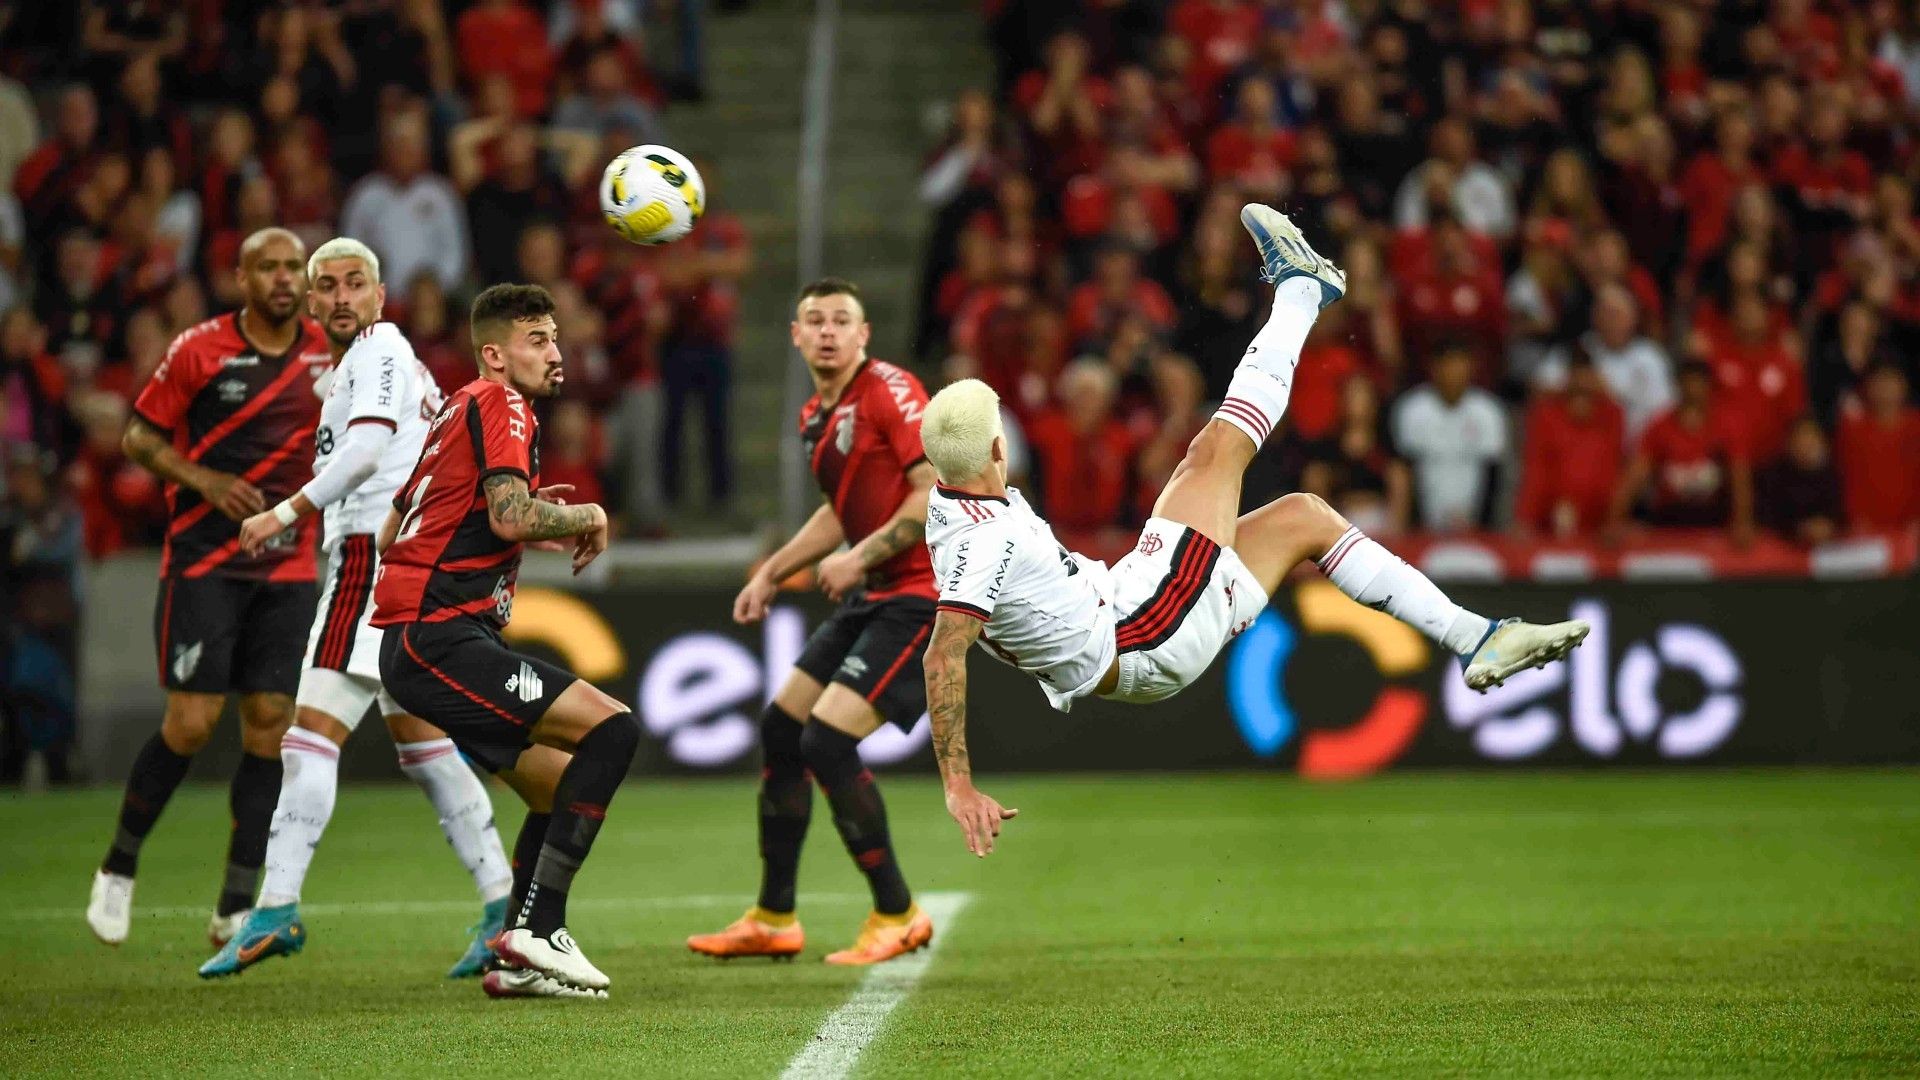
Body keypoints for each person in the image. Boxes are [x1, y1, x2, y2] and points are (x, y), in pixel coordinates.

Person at [917, 208, 1590, 856]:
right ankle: (1303, 288)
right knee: (1215, 451)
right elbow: (945, 654)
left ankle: (1478, 638)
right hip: (1141, 629)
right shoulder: (982, 540)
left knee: (1304, 518)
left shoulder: (949, 499)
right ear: (999, 451)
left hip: (1128, 610)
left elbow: (925, 546)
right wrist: (958, 786)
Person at [197, 238, 518, 981]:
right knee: (424, 747)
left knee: (307, 735)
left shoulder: (377, 352)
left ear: (379, 296)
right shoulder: (372, 362)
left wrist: (282, 514)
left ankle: (274, 908)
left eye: (356, 284)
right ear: (312, 304)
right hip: (407, 563)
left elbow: (371, 448)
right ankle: (503, 905)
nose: (342, 297)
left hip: (372, 565)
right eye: (328, 286)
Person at [372, 283, 634, 998]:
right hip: (442, 636)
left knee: (555, 789)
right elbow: (510, 517)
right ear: (495, 353)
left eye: (555, 337)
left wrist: (525, 524)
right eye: (538, 340)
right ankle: (539, 929)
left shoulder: (456, 407)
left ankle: (514, 960)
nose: (556, 352)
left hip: (423, 640)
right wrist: (586, 512)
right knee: (613, 732)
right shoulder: (500, 403)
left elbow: (399, 529)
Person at [86, 228, 333, 947]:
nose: (284, 279)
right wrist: (205, 480)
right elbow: (137, 437)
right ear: (241, 277)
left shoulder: (329, 351)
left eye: (294, 268)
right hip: (204, 562)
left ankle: (233, 902)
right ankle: (119, 866)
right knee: (191, 725)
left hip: (287, 567)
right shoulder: (199, 348)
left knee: (269, 723)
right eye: (270, 267)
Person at [686, 278, 938, 966]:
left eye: (841, 320)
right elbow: (839, 510)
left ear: (864, 335)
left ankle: (897, 913)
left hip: (918, 594)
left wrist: (859, 557)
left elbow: (930, 492)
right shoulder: (815, 416)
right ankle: (774, 916)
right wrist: (773, 569)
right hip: (872, 594)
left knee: (826, 740)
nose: (827, 331)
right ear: (796, 337)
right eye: (814, 321)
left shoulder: (888, 389)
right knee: (782, 729)